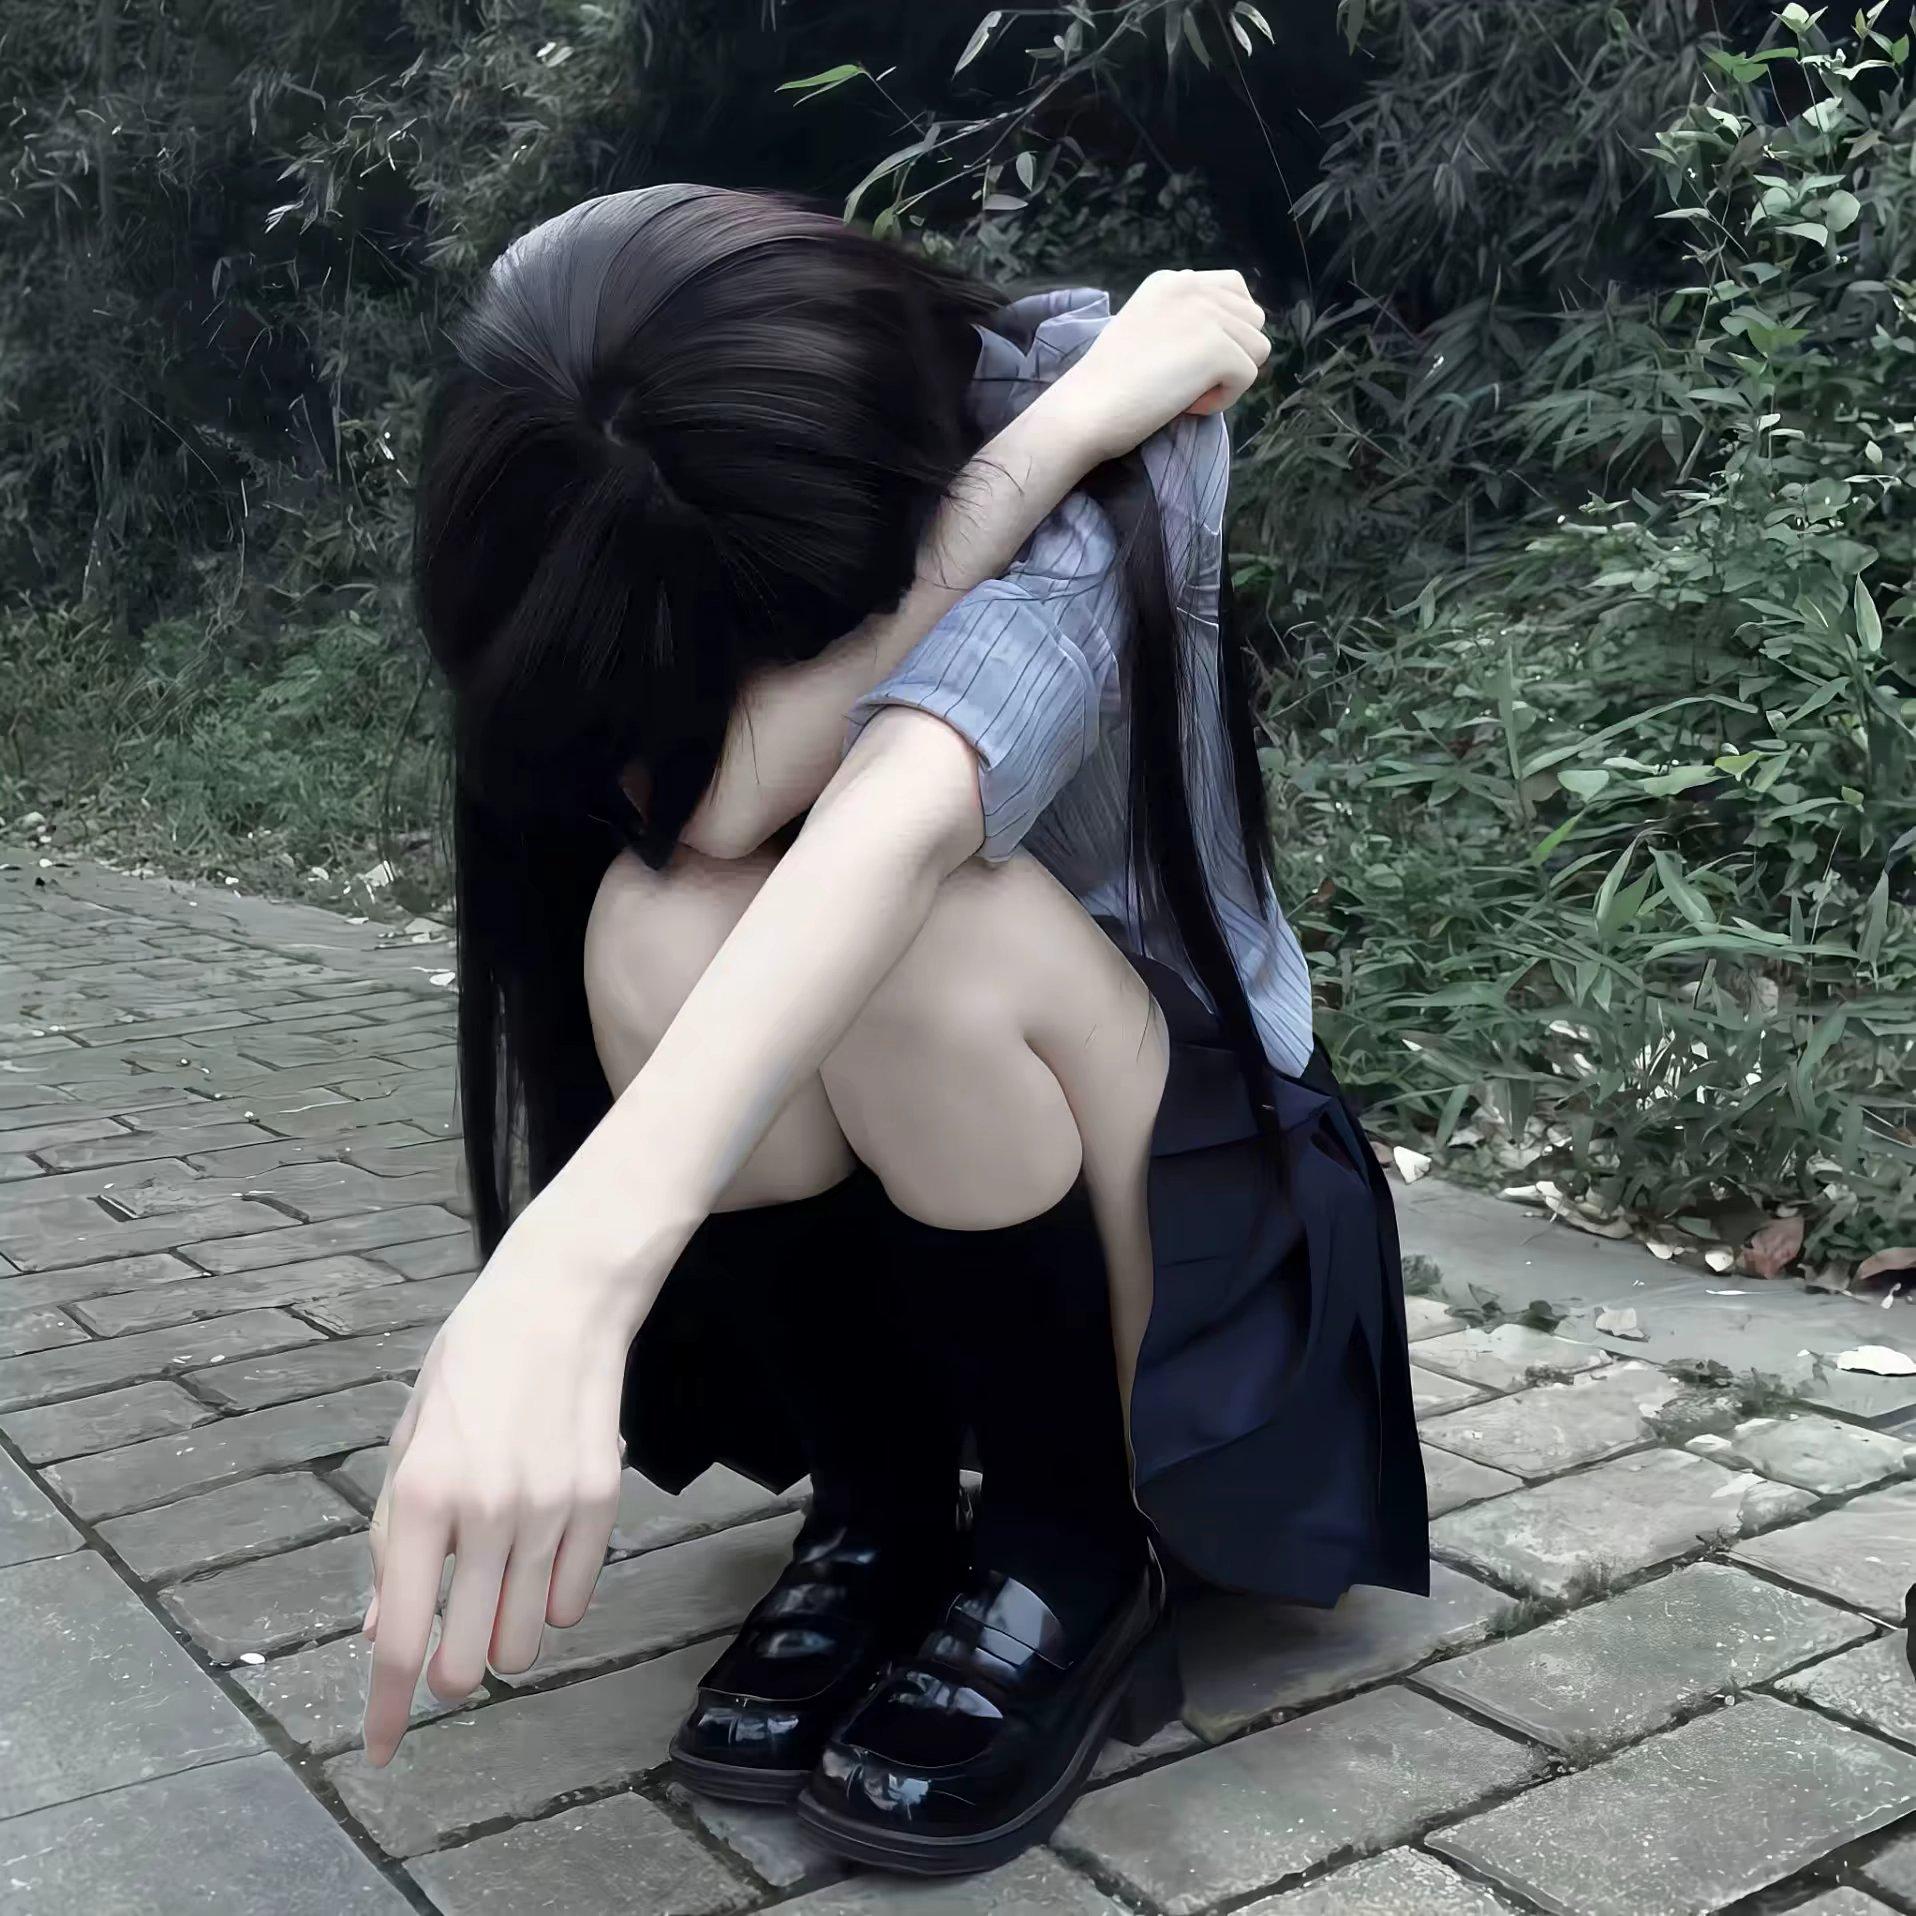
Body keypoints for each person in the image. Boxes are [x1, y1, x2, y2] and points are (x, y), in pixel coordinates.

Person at [368, 181, 1428, 1875]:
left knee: (925, 935)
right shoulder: (1050, 417)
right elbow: (716, 804)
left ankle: (1077, 1545)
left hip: (1195, 1191)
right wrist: (1041, 459)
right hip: (930, 1169)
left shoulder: (1134, 398)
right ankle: (885, 1511)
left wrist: (578, 1257)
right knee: (650, 923)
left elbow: (906, 804)